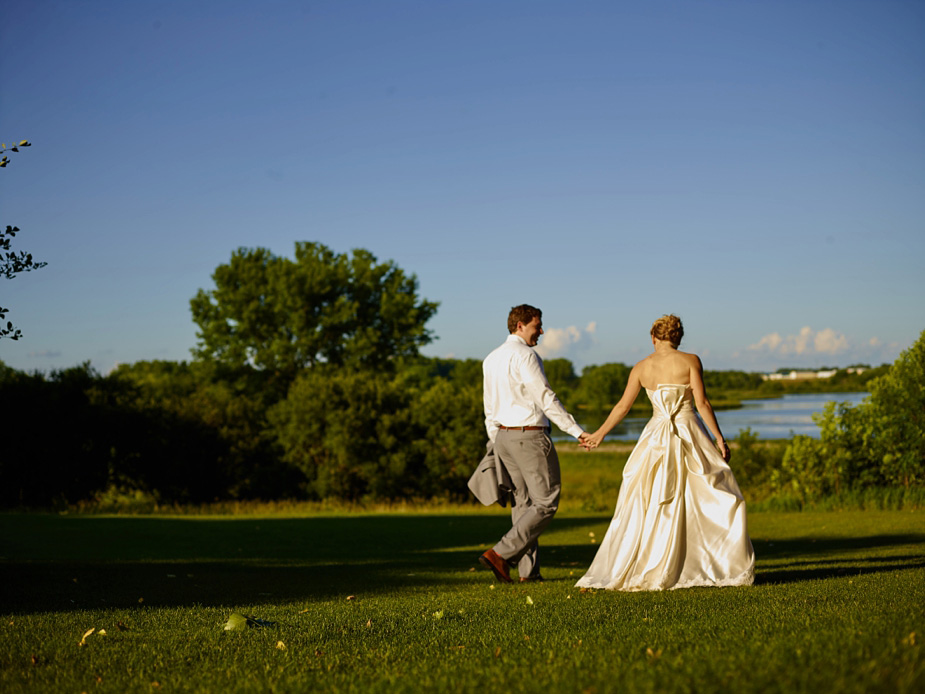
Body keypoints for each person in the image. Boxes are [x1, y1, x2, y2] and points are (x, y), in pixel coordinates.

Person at [575, 315, 754, 591]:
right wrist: (719, 438)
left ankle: (652, 561)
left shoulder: (640, 367)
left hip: (655, 436)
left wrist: (598, 434)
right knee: (704, 496)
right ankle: (704, 563)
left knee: (650, 499)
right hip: (689, 432)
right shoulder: (691, 361)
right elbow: (702, 403)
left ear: (653, 338)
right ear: (678, 338)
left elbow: (622, 407)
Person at [479, 304, 591, 583]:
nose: (541, 331)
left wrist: (495, 442)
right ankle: (500, 554)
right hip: (529, 436)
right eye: (536, 325)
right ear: (520, 326)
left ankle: (528, 574)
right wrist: (575, 431)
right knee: (546, 502)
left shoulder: (490, 359)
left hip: (503, 436)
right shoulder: (527, 356)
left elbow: (489, 407)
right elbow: (546, 398)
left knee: (523, 504)